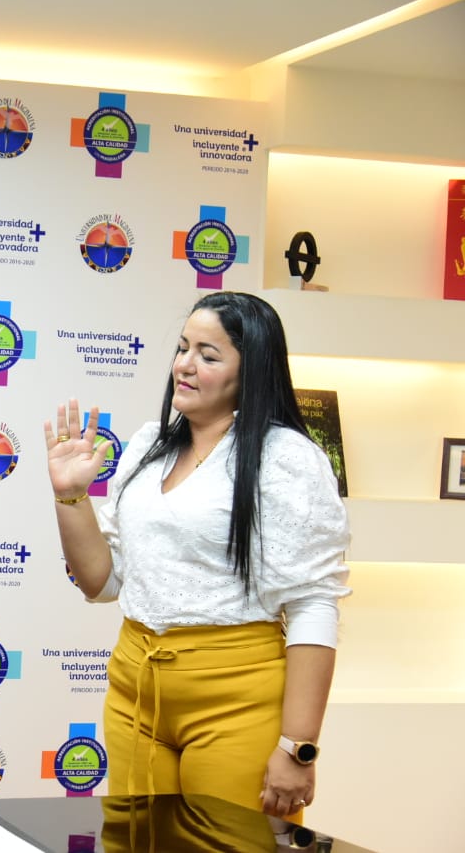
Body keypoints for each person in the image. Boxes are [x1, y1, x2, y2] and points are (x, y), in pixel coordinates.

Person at [44, 290, 350, 820]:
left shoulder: (287, 459)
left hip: (236, 699)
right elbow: (103, 582)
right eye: (183, 348)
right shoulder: (148, 446)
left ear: (251, 372)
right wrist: (70, 496)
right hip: (135, 691)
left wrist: (298, 746)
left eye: (208, 355)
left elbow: (313, 605)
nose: (184, 364)